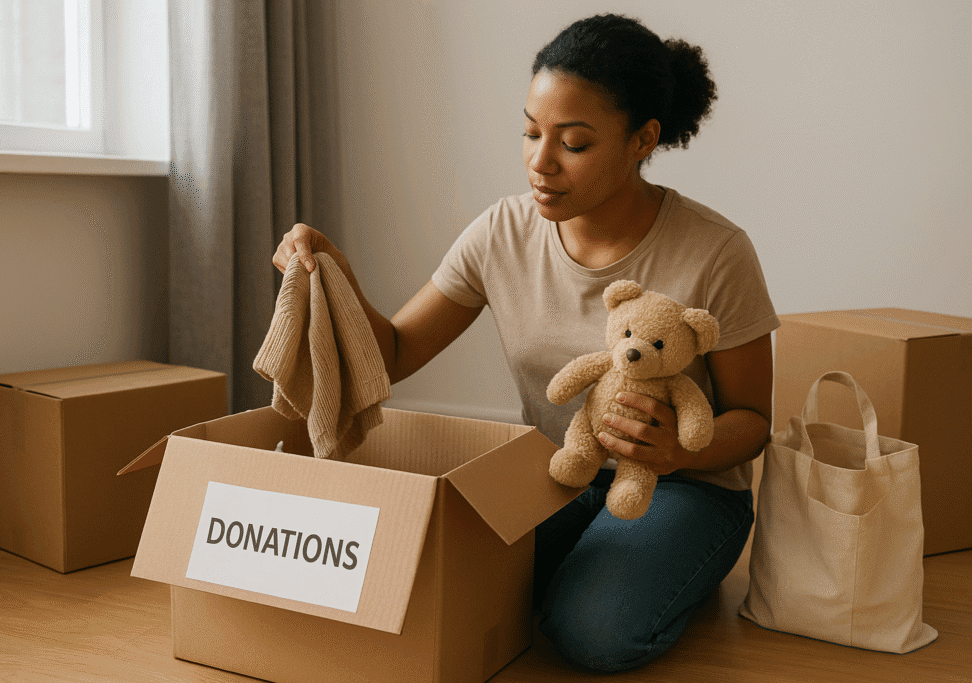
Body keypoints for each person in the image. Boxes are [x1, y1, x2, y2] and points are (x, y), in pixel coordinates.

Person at [273, 13, 778, 673]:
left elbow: (756, 421)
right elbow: (392, 353)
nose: (540, 162)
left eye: (572, 142)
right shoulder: (501, 233)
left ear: (641, 139)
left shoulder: (715, 250)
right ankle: (611, 566)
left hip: (683, 486)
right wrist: (333, 272)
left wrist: (681, 447)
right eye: (530, 132)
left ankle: (664, 574)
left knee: (591, 633)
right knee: (427, 578)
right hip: (555, 472)